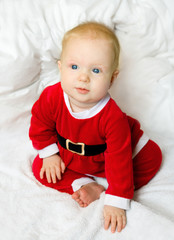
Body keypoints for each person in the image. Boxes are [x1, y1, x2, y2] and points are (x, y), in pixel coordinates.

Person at [29, 22, 162, 233]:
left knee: (151, 159)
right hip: (72, 154)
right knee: (40, 167)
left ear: (112, 78)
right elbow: (40, 124)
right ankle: (84, 184)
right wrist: (49, 154)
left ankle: (107, 187)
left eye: (96, 70)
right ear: (60, 66)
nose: (83, 77)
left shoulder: (113, 117)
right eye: (74, 67)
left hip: (114, 156)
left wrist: (116, 199)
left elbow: (119, 159)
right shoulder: (51, 96)